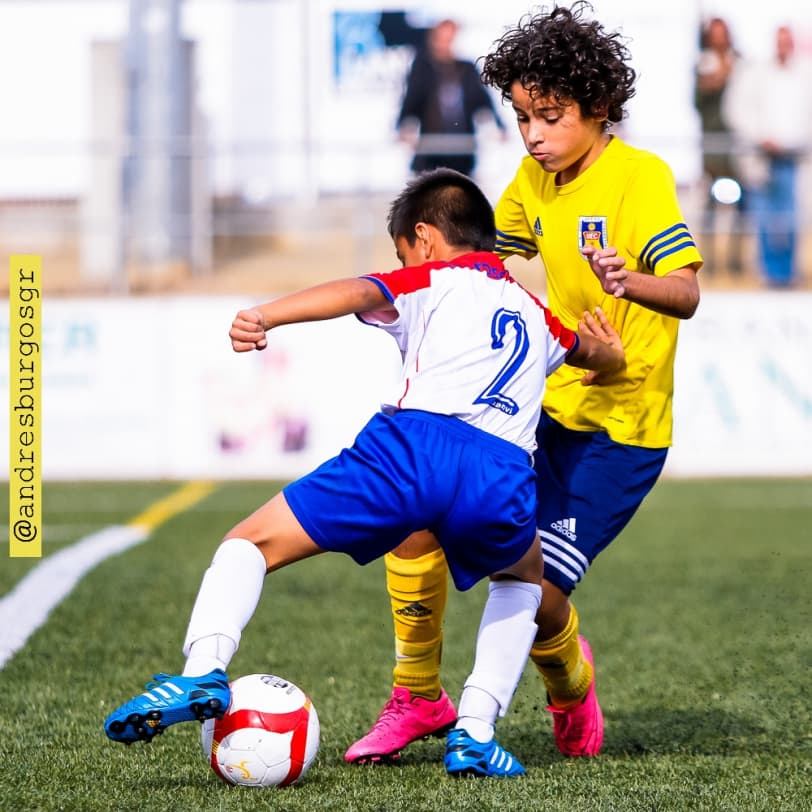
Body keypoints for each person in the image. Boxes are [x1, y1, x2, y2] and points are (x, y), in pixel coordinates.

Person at [103, 168, 626, 779]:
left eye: (401, 251)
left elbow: (356, 292)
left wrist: (266, 315)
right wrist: (610, 356)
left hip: (413, 448)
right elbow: (599, 357)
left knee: (249, 542)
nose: (400, 261)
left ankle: (200, 676)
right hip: (503, 469)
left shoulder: (431, 277)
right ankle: (477, 732)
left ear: (425, 240)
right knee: (523, 580)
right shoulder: (536, 313)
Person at [345, 2, 702, 766]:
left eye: (549, 116)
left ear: (598, 107)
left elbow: (688, 293)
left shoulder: (640, 178)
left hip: (621, 428)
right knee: (419, 516)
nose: (533, 134)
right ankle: (416, 695)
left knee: (534, 585)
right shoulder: (530, 184)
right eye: (522, 117)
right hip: (545, 406)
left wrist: (631, 282)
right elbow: (484, 267)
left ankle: (566, 687)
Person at [724, 24, 812, 288]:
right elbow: (736, 110)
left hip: (795, 157)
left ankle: (787, 274)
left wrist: (793, 141)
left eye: (789, 41)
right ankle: (769, 274)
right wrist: (761, 136)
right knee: (764, 217)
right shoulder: (755, 72)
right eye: (780, 40)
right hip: (762, 156)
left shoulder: (804, 73)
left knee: (791, 218)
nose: (784, 45)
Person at [397, 18, 507, 177]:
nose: (446, 44)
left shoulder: (466, 69)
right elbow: (411, 99)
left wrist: (499, 126)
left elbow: (483, 100)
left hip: (463, 151)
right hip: (430, 150)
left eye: (450, 39)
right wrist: (404, 126)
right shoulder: (422, 68)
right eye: (442, 39)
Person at [692, 16, 746, 274]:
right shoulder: (703, 62)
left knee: (742, 206)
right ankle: (709, 261)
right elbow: (698, 99)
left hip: (739, 146)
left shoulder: (740, 59)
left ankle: (736, 261)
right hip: (713, 145)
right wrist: (721, 76)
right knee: (712, 203)